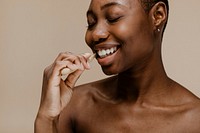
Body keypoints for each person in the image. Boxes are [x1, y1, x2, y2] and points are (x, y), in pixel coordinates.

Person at [35, 0, 200, 132]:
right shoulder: (75, 105)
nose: (95, 34)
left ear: (157, 15)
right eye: (91, 23)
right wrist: (47, 117)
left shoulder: (195, 120)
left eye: (113, 17)